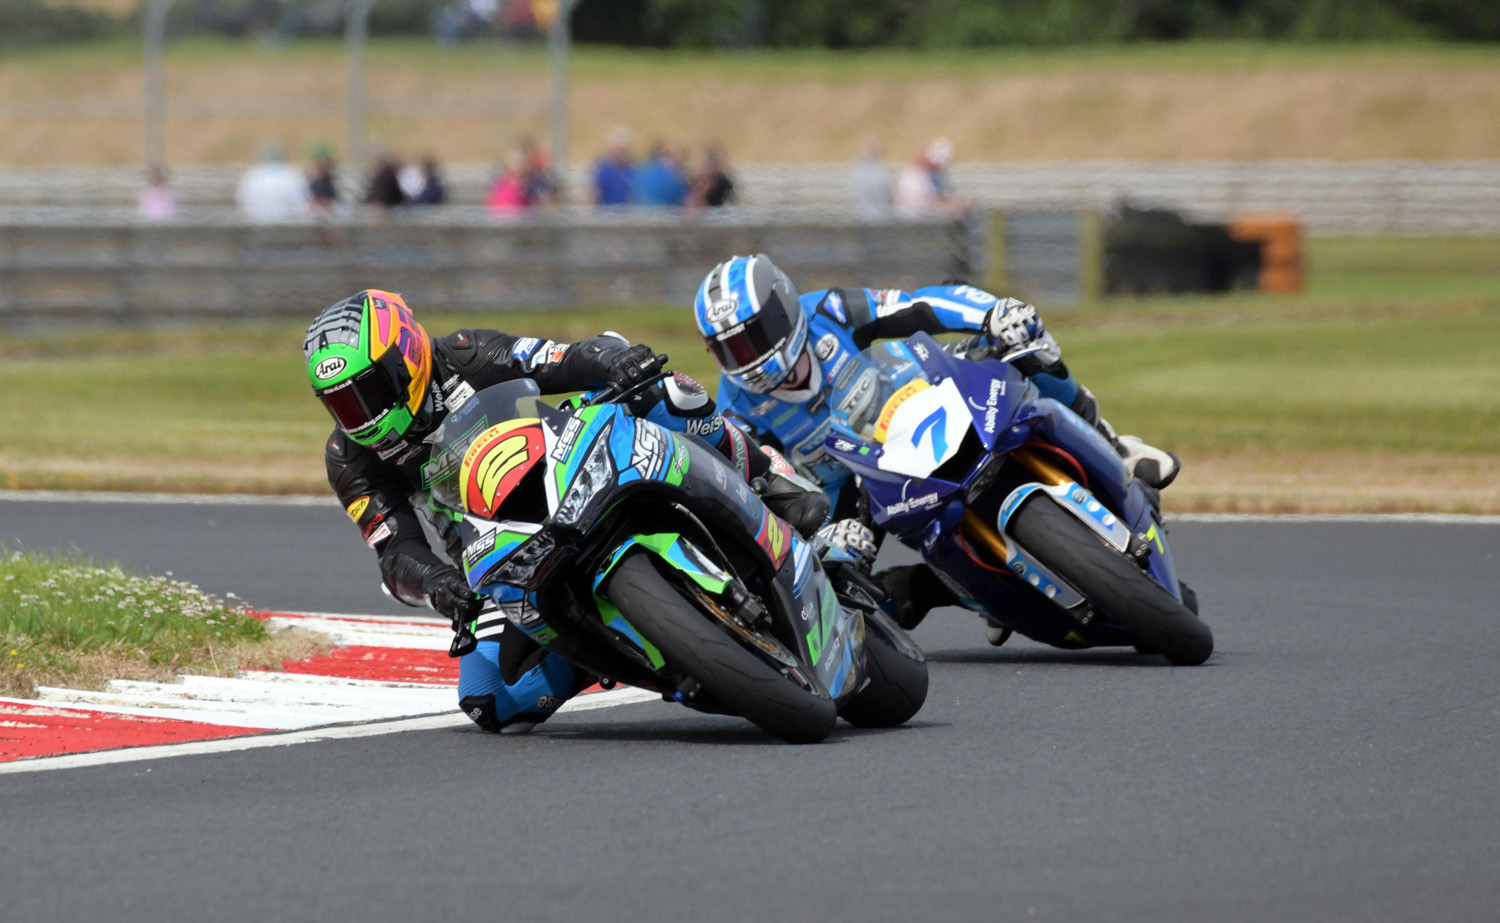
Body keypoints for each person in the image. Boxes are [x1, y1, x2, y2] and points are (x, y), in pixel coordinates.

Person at [304, 290, 849, 734]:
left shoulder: (467, 354)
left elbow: (562, 360)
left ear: (408, 357)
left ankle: (766, 478)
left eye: (371, 391)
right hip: (500, 548)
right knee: (489, 699)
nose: (363, 415)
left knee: (664, 392)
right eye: (343, 403)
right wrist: (442, 586)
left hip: (570, 465)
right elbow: (394, 550)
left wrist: (617, 360)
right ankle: (629, 646)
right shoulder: (348, 459)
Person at [692, 255, 1182, 630]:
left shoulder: (830, 310)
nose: (748, 358)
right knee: (844, 595)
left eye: (753, 338)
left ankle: (1113, 444)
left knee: (1029, 347)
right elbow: (770, 484)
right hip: (859, 483)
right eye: (730, 348)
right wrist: (822, 536)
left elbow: (917, 305)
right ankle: (939, 588)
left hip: (924, 398)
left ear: (782, 313)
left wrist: (994, 313)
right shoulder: (737, 410)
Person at [235, 141, 310, 222]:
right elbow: (302, 204)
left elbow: (243, 204)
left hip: (257, 227)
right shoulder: (293, 176)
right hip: (288, 227)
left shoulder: (252, 176)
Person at [633, 143, 690, 207]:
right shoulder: (675, 179)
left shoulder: (643, 171)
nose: (677, 160)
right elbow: (684, 201)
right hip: (664, 212)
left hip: (641, 211)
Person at [592, 126, 635, 207]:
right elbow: (595, 196)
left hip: (628, 215)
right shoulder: (603, 171)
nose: (622, 155)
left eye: (624, 151)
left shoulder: (632, 170)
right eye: (619, 151)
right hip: (607, 215)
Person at [850, 137, 892, 220]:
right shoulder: (874, 172)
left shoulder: (856, 168)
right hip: (875, 216)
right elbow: (885, 192)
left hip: (869, 215)